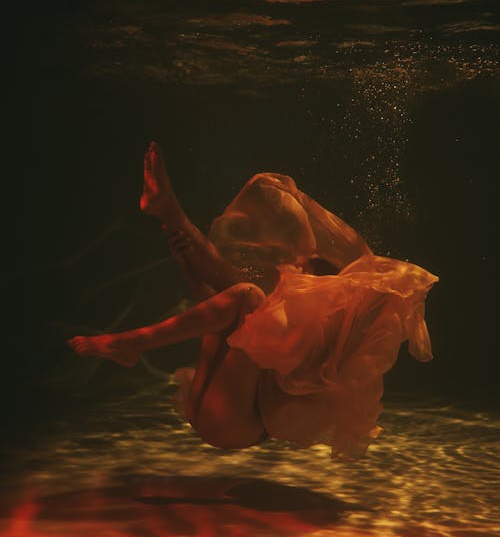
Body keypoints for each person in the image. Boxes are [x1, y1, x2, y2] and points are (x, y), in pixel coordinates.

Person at [68, 142, 438, 460]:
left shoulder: (328, 335)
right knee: (242, 297)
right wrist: (187, 268)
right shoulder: (284, 311)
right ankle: (169, 213)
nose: (299, 270)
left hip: (236, 425)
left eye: (310, 269)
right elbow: (214, 319)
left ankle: (132, 342)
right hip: (210, 405)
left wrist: (384, 287)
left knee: (247, 296)